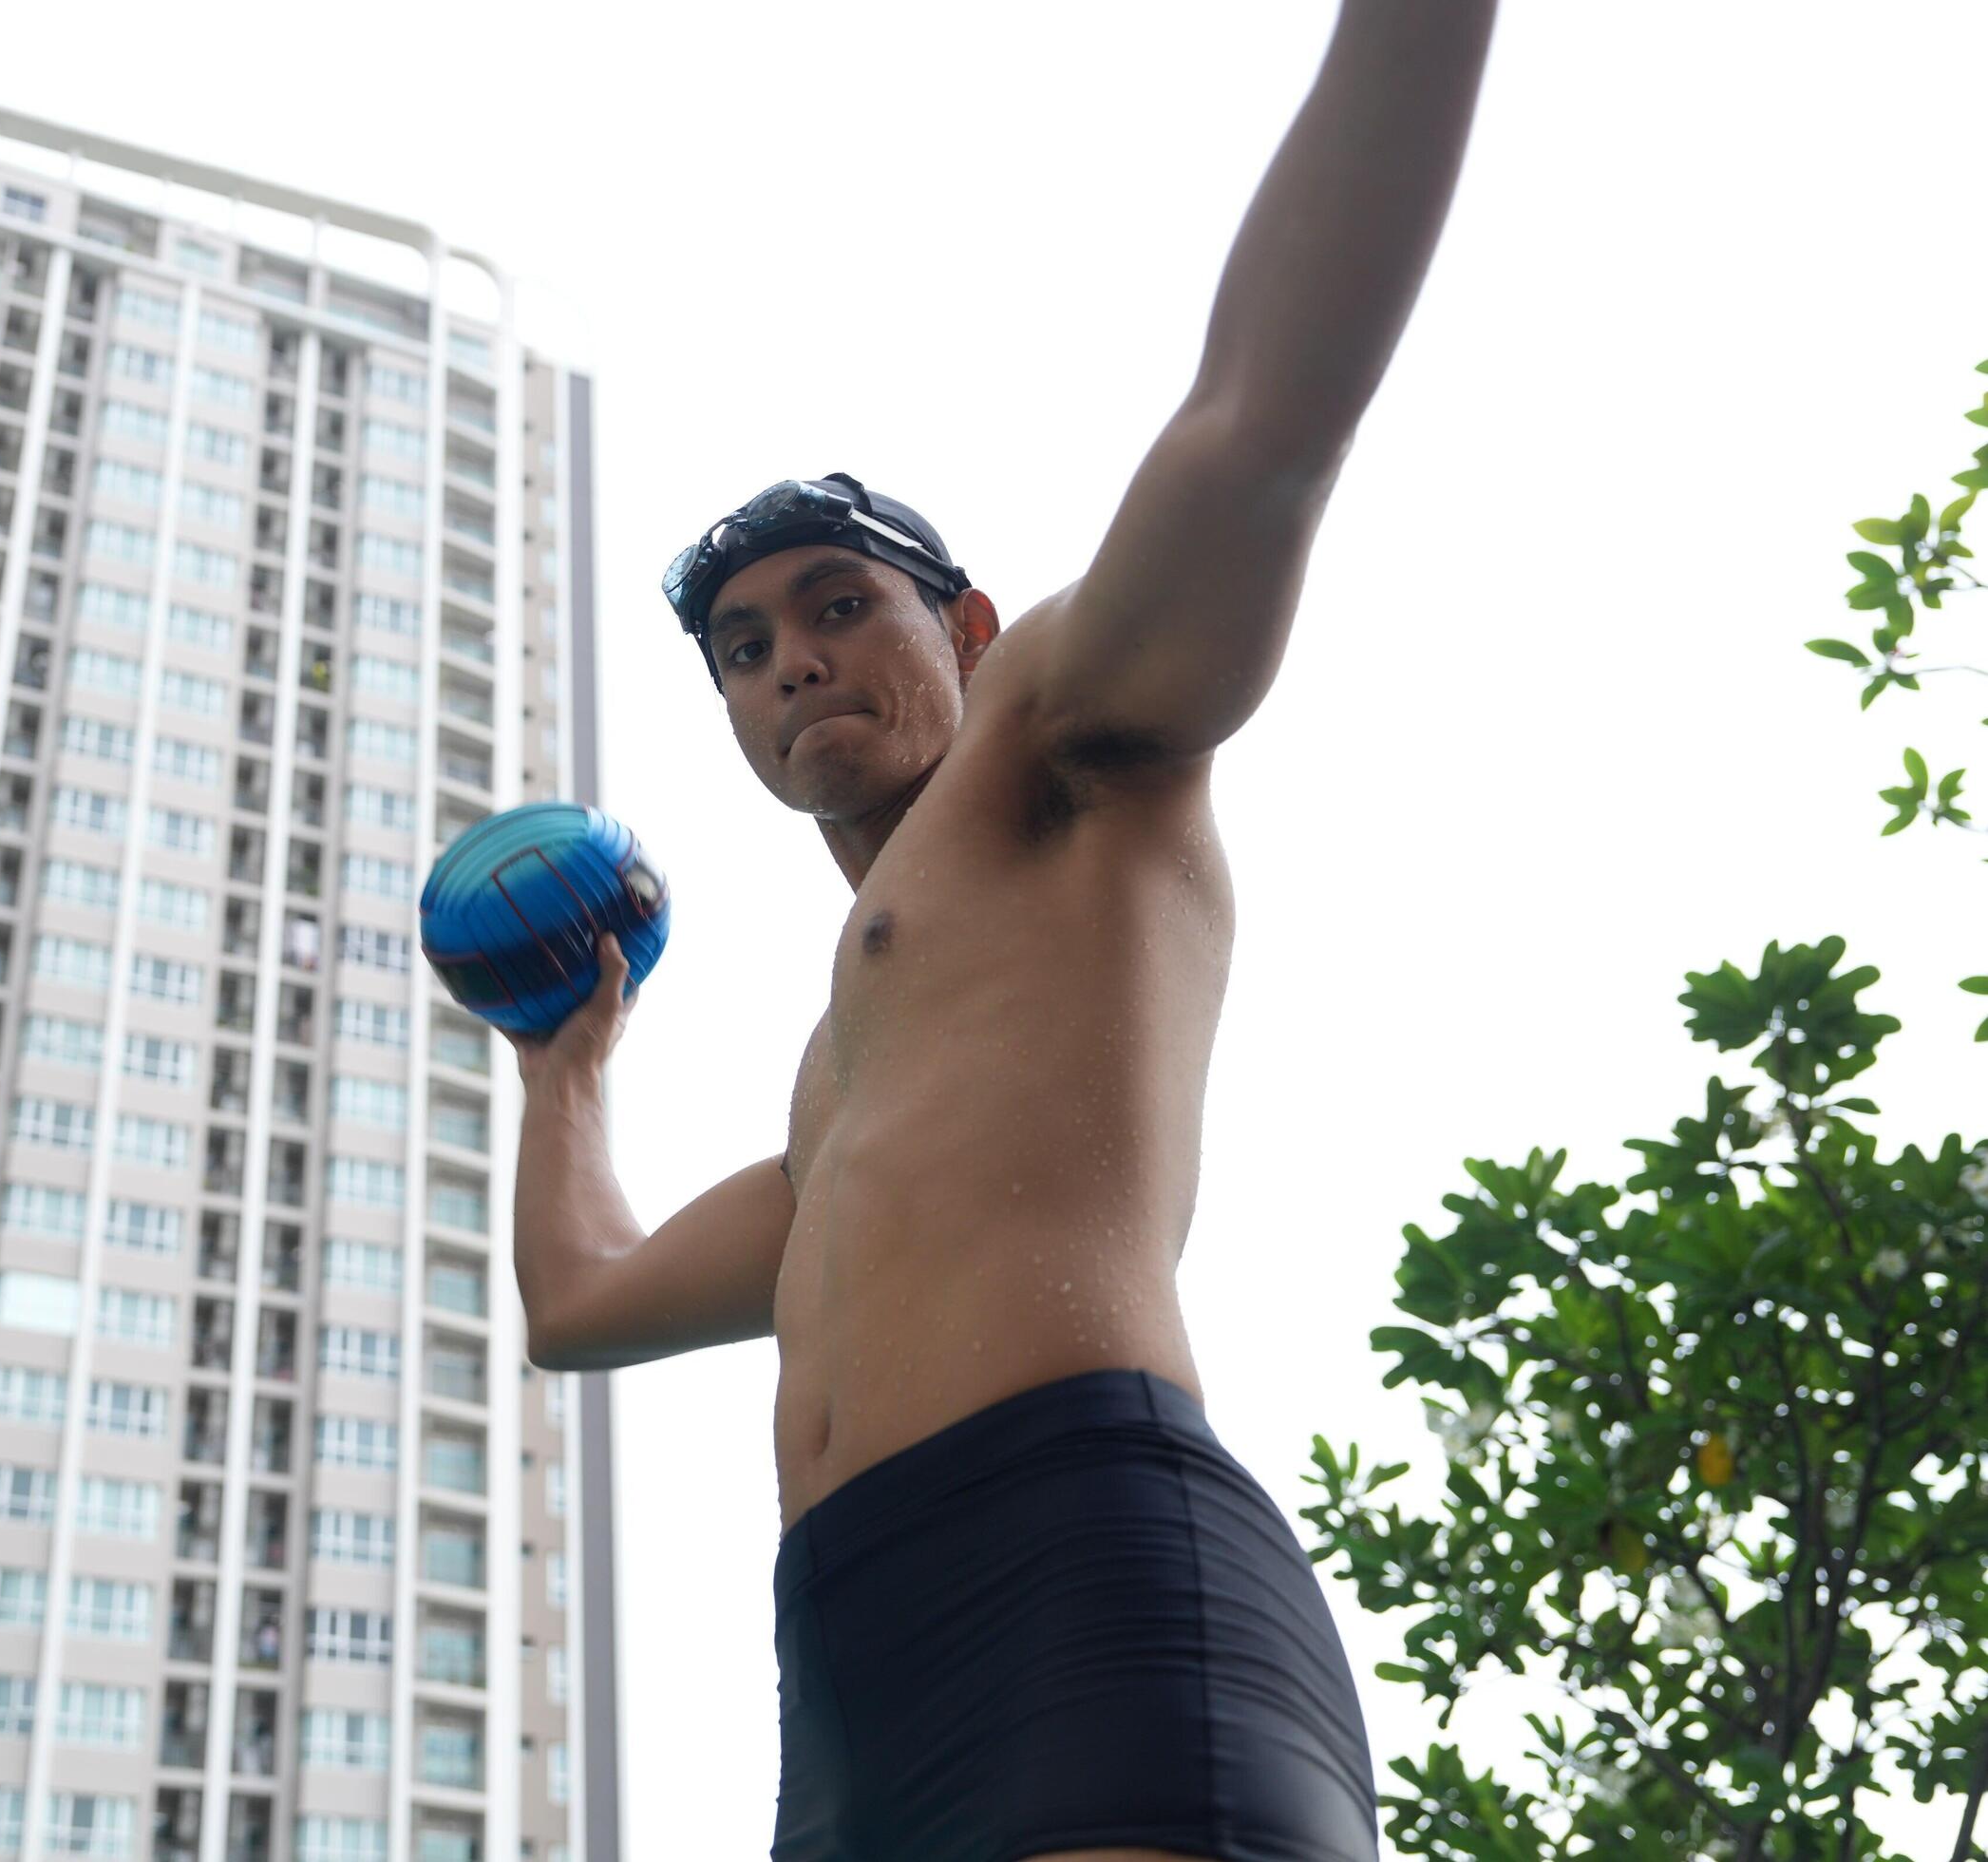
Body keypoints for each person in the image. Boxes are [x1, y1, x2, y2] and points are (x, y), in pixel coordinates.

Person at [504, 7, 1499, 1860]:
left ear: (955, 627)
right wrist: (567, 1064)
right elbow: (580, 1305)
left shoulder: (1060, 742)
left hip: (1073, 1564)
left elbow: (1259, 421)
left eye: (833, 604)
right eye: (742, 647)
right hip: (849, 1688)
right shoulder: (845, 1080)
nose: (789, 656)